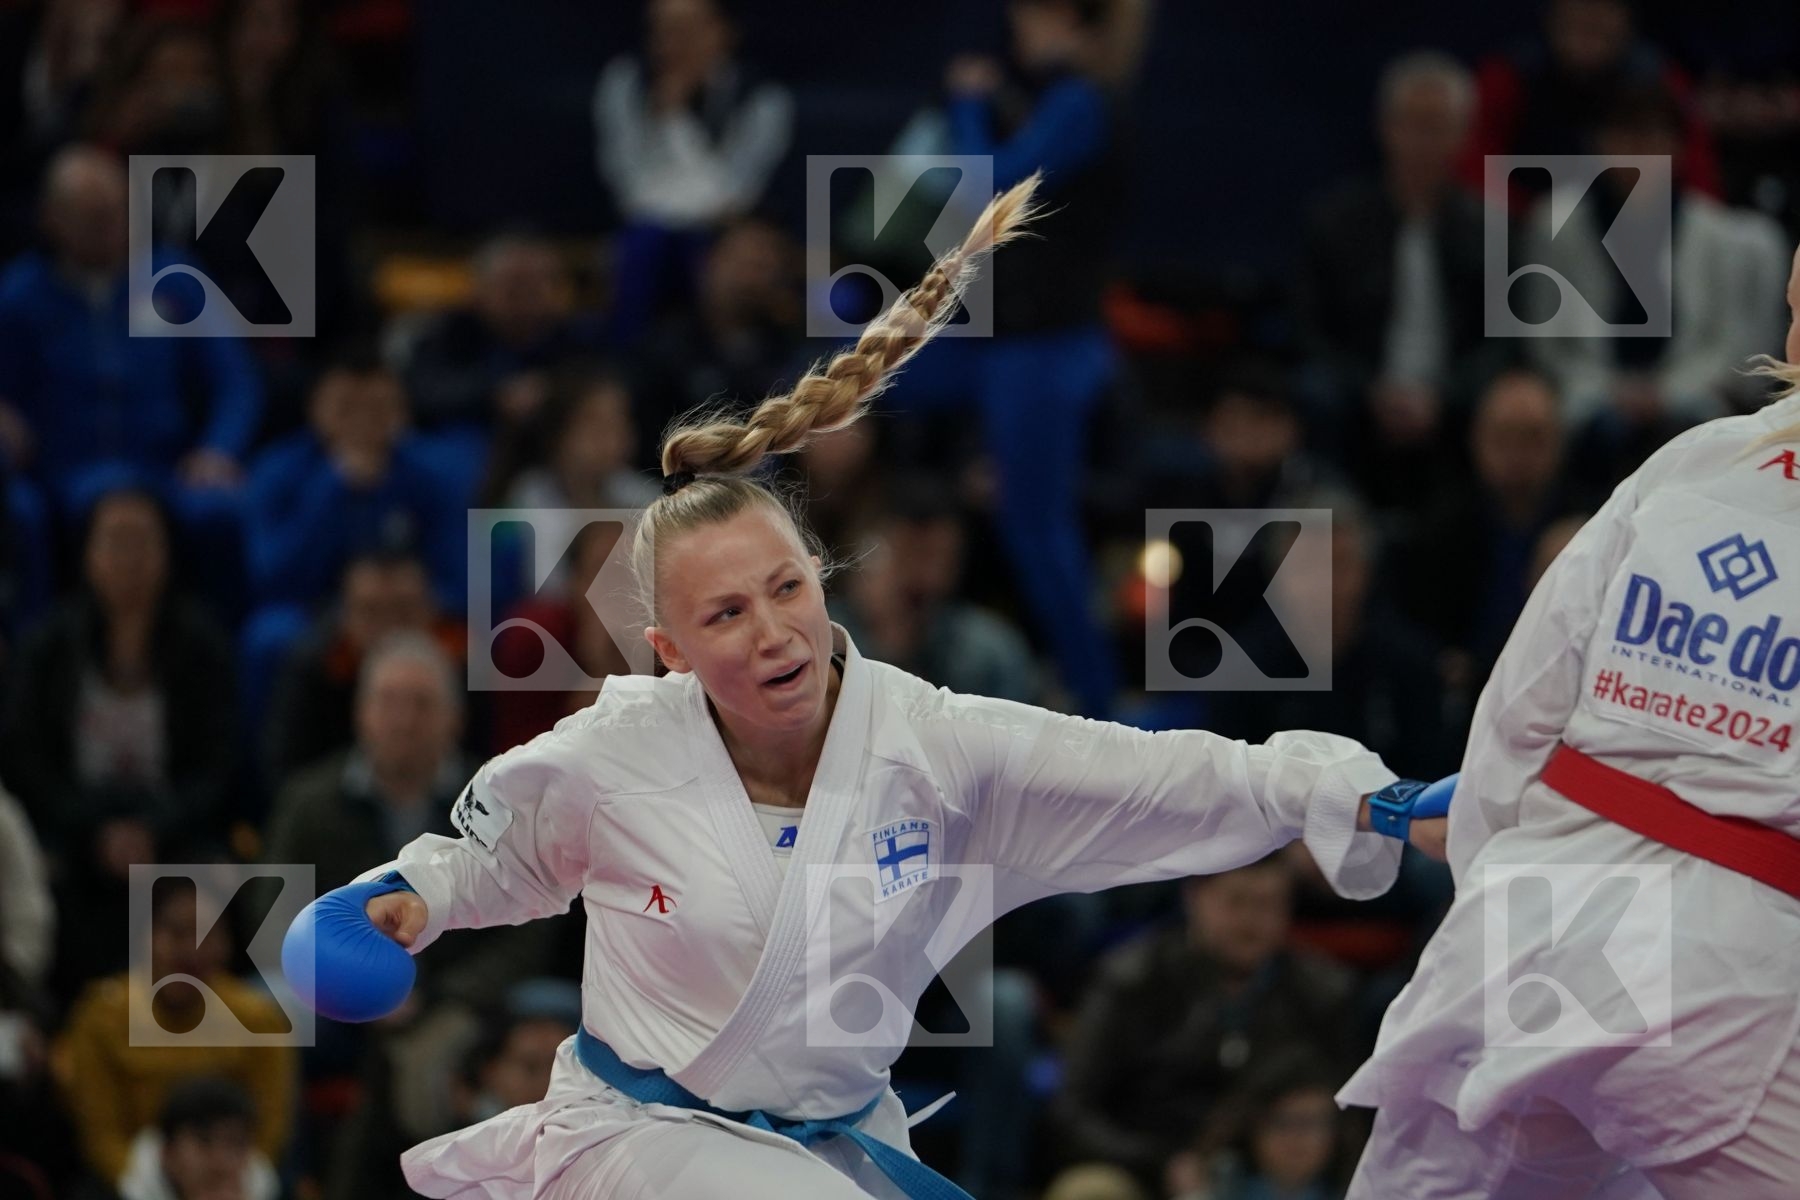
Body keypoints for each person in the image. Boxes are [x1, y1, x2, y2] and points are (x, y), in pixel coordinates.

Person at [293, 178, 1450, 1200]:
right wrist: (404, 898)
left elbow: (1167, 778)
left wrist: (1354, 797)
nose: (773, 632)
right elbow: (491, 856)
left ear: (821, 575)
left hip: (827, 1152)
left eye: (786, 588)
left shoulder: (935, 750)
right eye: (724, 616)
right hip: (633, 1145)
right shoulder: (615, 752)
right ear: (670, 654)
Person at [1338, 243, 1800, 1198]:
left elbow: (1517, 713)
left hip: (1536, 918)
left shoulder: (1694, 460)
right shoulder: (1695, 456)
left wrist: (1498, 894)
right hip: (1727, 975)